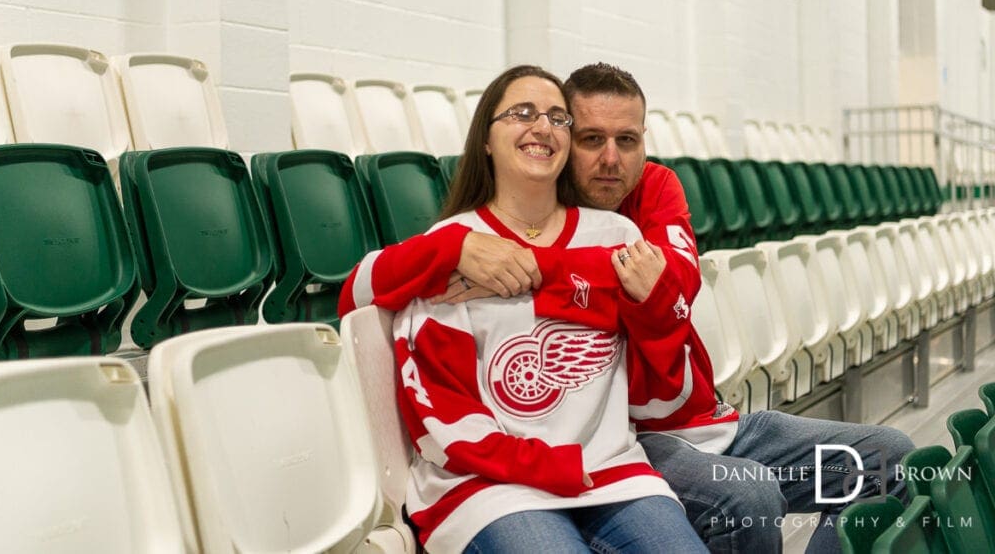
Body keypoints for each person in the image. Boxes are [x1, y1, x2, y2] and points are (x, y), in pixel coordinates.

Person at [340, 62, 915, 554]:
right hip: (614, 445)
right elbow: (357, 298)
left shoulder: (644, 199)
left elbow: (671, 289)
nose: (610, 159)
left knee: (891, 461)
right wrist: (448, 250)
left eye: (627, 140)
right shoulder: (460, 245)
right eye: (589, 138)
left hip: (688, 423)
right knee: (749, 494)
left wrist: (533, 270)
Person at [355, 64, 707, 554]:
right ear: (485, 138)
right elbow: (444, 412)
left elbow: (660, 390)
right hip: (487, 488)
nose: (542, 126)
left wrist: (647, 312)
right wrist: (552, 466)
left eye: (558, 118)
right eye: (522, 113)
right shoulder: (450, 248)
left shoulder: (618, 238)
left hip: (613, 475)